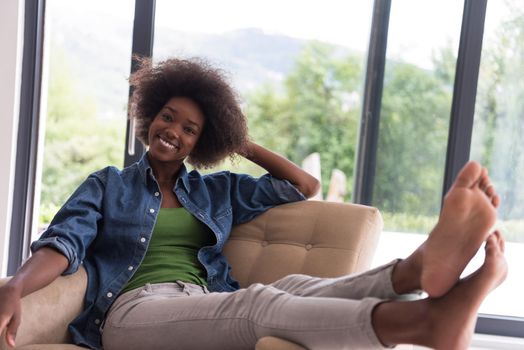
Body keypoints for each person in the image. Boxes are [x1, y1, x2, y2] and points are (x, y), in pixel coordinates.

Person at [0, 57, 506, 350]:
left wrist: (237, 141)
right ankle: (422, 324)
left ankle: (415, 272)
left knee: (298, 286)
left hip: (197, 301)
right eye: (168, 118)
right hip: (130, 313)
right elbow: (63, 243)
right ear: (150, 116)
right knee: (260, 302)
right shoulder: (109, 183)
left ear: (202, 142)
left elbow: (301, 185)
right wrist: (15, 285)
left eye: (190, 128)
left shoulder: (213, 191)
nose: (172, 131)